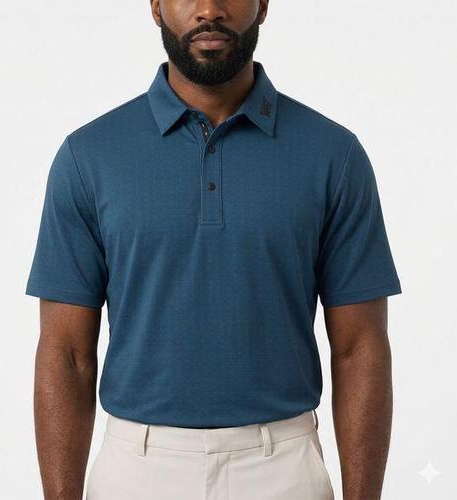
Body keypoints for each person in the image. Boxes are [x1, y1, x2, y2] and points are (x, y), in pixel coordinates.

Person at [25, 1, 402, 499]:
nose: (209, 9)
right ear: (156, 7)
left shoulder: (334, 155)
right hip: (137, 470)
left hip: (283, 469)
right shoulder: (88, 156)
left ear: (262, 5)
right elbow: (66, 354)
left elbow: (359, 348)